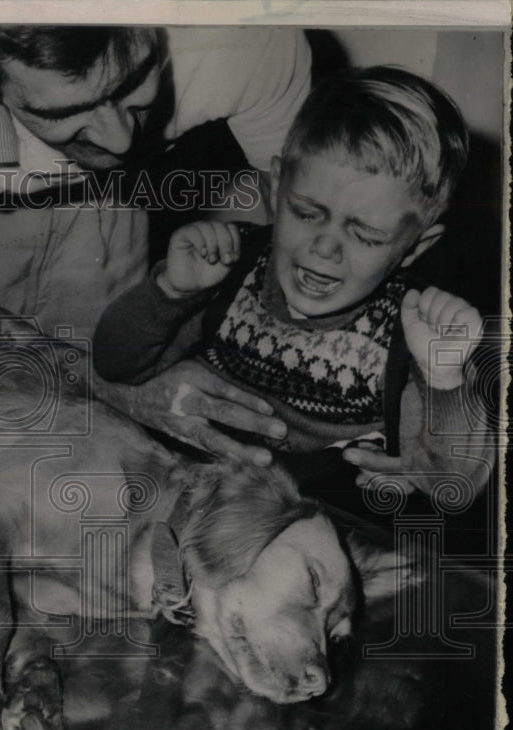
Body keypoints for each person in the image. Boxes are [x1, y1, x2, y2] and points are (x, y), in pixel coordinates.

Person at [0, 24, 311, 462]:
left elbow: (312, 213)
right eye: (66, 112)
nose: (122, 140)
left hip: (107, 200)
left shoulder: (247, 28)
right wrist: (118, 388)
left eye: (133, 83)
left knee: (89, 456)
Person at [92, 65, 493, 498]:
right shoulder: (230, 267)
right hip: (177, 490)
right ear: (277, 185)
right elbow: (114, 363)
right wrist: (168, 291)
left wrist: (444, 377)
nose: (325, 247)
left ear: (415, 247)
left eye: (366, 236)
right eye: (305, 212)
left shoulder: (411, 332)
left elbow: (453, 485)